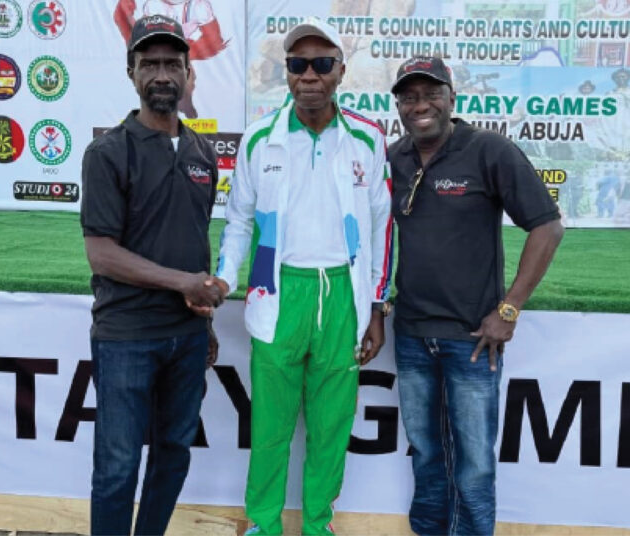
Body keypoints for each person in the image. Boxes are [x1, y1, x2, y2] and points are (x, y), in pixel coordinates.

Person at [213, 18, 393, 536]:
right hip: (278, 291)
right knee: (269, 426)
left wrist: (377, 305)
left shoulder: (366, 138)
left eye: (321, 64)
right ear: (285, 72)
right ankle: (263, 526)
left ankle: (318, 525)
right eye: (297, 65)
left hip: (344, 295)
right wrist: (226, 279)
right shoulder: (260, 138)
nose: (308, 75)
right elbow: (239, 221)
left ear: (340, 70)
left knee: (331, 427)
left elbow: (383, 225)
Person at [388, 56, 564, 536]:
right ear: (399, 106)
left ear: (451, 98)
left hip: (472, 339)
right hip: (410, 335)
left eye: (430, 94)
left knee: (474, 463)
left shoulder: (488, 149)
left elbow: (547, 227)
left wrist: (509, 309)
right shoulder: (395, 158)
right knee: (425, 453)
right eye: (409, 96)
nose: (419, 105)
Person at [80, 15, 224, 536]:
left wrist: (203, 319)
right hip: (126, 337)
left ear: (190, 75)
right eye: (150, 64)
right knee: (118, 467)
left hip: (186, 338)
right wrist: (182, 284)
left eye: (172, 64)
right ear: (131, 72)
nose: (162, 74)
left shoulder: (203, 153)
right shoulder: (107, 152)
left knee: (173, 455)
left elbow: (193, 242)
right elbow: (101, 254)